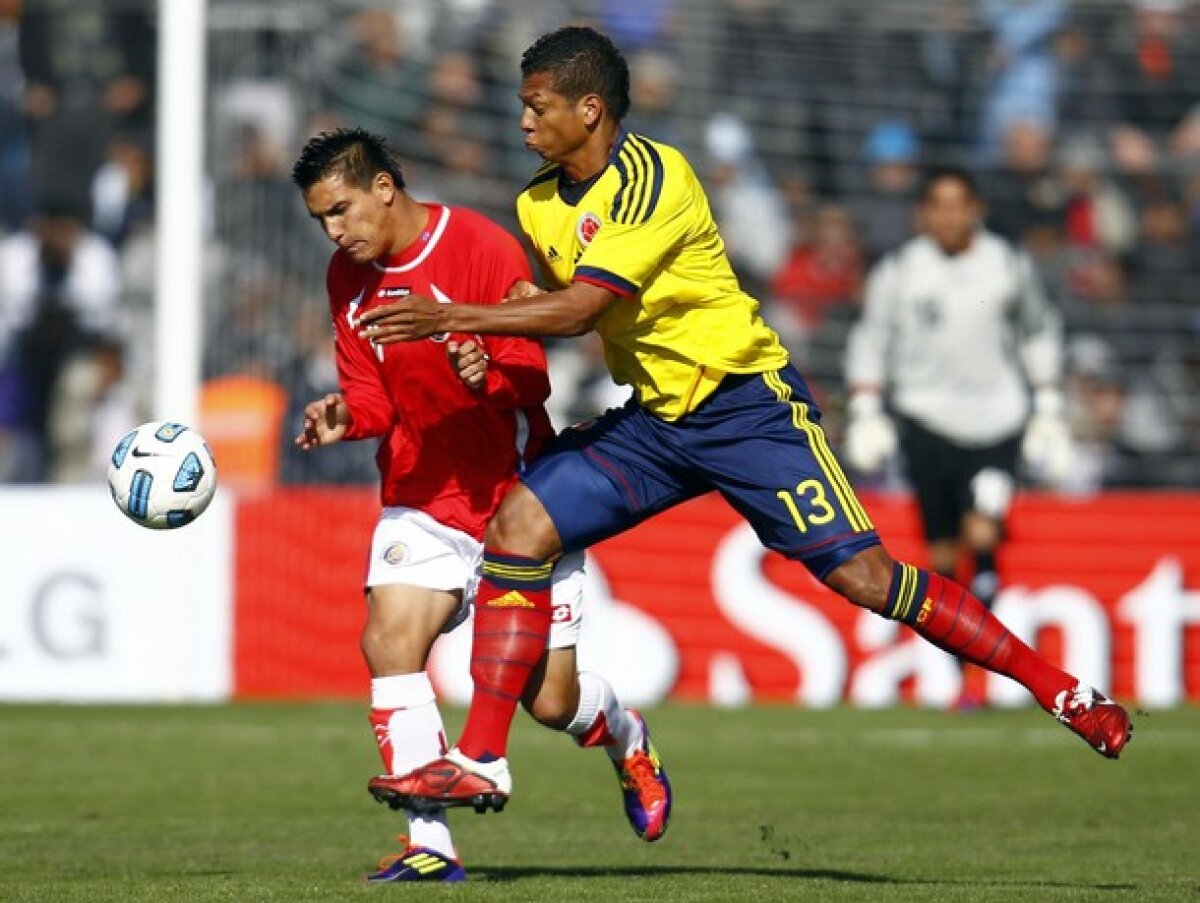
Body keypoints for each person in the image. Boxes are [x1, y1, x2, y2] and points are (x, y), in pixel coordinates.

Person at [356, 27, 1132, 814]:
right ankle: (484, 759)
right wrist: (505, 320)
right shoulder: (538, 200)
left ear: (590, 109)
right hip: (656, 423)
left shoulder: (653, 178)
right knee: (519, 524)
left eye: (537, 106)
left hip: (745, 407)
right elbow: (561, 305)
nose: (523, 122)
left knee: (866, 578)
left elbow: (588, 304)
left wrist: (458, 316)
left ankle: (1062, 690)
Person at [289, 128, 672, 882]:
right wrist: (346, 418)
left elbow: (533, 381)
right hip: (421, 494)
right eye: (321, 221)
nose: (335, 232)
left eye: (341, 211)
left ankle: (628, 737)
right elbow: (371, 394)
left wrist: (483, 375)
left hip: (521, 500)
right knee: (388, 642)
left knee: (551, 700)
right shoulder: (348, 277)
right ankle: (429, 845)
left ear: (384, 189)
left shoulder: (478, 244)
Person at [842, 166, 1073, 708]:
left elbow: (1039, 330)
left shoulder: (1006, 264)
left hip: (998, 419)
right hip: (926, 421)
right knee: (942, 554)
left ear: (976, 209)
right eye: (938, 205)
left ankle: (979, 678)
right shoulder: (900, 271)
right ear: (924, 213)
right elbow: (871, 339)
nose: (948, 216)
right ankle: (961, 672)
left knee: (984, 530)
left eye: (958, 204)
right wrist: (867, 407)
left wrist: (1049, 405)